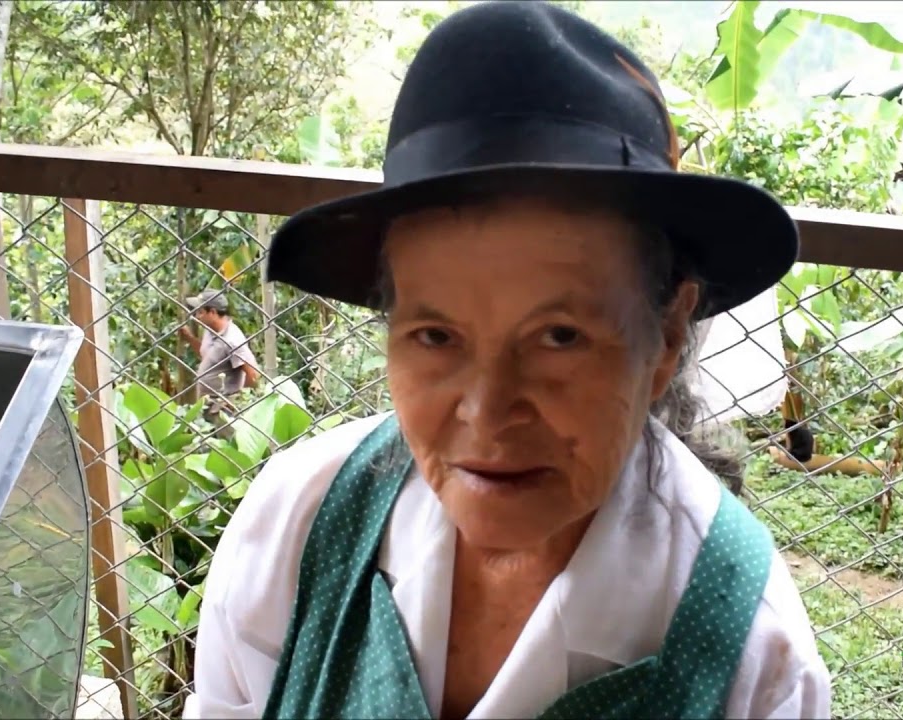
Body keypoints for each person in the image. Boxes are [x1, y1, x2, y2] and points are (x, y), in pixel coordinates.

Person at [185, 3, 831, 719]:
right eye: (434, 335)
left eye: (559, 336)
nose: (488, 414)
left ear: (667, 337)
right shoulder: (295, 529)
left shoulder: (753, 661)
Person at [178, 290, 260, 417]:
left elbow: (253, 375)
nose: (197, 316)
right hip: (207, 404)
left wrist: (236, 400)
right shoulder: (209, 331)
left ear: (213, 312)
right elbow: (210, 358)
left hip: (223, 410)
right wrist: (190, 338)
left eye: (200, 312)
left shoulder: (232, 341)